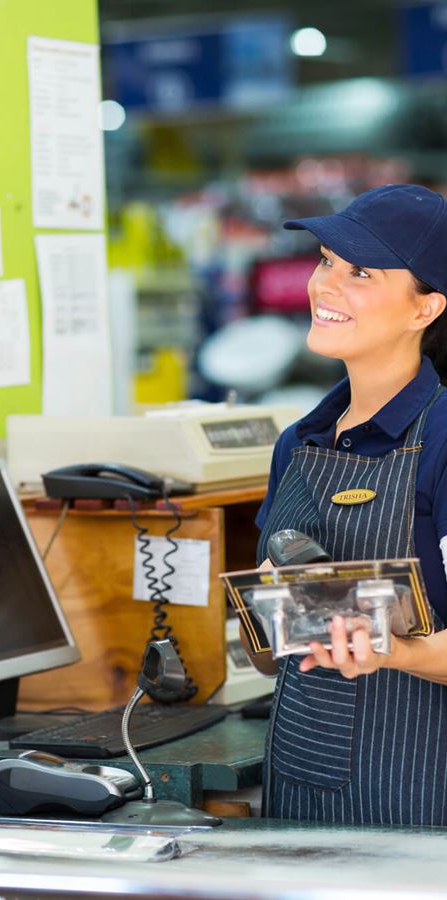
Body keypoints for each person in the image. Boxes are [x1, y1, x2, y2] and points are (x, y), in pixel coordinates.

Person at [255, 183, 447, 826]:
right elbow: (273, 633)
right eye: (327, 261)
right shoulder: (299, 441)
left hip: (419, 794)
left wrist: (396, 651)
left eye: (360, 272)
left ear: (426, 308)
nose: (325, 285)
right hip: (299, 780)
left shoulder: (443, 442)